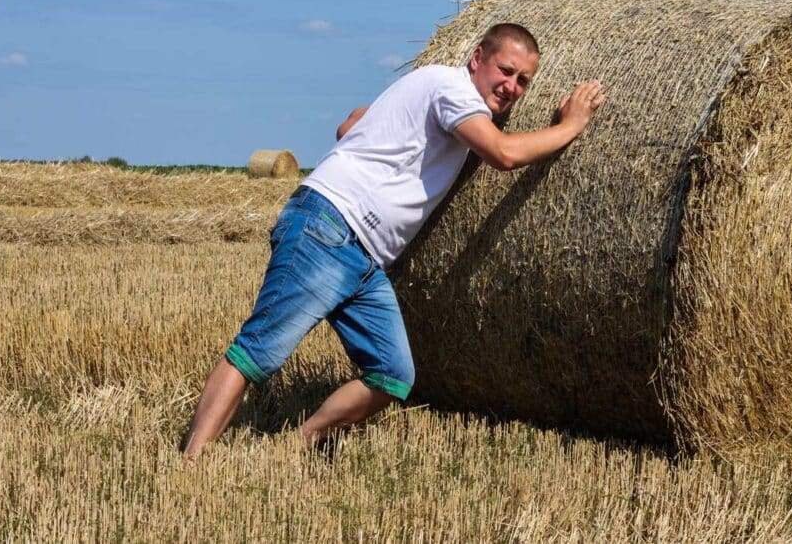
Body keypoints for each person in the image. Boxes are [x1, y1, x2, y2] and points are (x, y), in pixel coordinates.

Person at [182, 23, 605, 457]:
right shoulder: (451, 88)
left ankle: (294, 448)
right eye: (506, 70)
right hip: (331, 227)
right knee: (259, 351)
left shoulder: (435, 90)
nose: (512, 87)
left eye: (523, 81)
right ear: (477, 58)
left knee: (391, 374)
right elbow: (504, 154)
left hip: (365, 257)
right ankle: (191, 462)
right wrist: (571, 126)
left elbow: (349, 129)